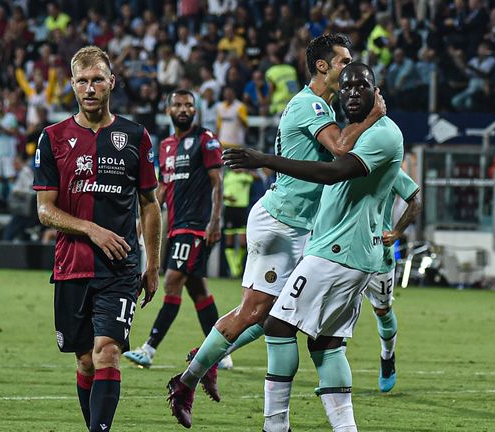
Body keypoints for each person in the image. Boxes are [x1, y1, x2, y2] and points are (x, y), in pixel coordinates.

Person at [165, 34, 385, 429]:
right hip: (281, 222)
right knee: (257, 311)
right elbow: (339, 152)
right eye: (342, 62)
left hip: (305, 228)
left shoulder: (327, 105)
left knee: (278, 316)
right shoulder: (310, 104)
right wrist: (373, 117)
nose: (348, 68)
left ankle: (208, 359)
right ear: (322, 66)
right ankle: (187, 380)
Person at [223, 62, 402, 432]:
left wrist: (264, 161)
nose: (352, 92)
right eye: (347, 86)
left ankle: (275, 425)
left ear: (376, 93)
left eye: (362, 86)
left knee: (277, 325)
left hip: (337, 252)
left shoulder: (383, 134)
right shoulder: (363, 131)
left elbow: (333, 172)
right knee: (327, 345)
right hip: (349, 253)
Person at [32, 46, 162, 432]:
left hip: (119, 268)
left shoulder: (134, 136)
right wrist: (91, 228)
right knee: (85, 360)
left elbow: (149, 204)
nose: (90, 88)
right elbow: (44, 210)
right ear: (72, 84)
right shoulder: (52, 137)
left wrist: (152, 264)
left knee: (108, 353)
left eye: (98, 80)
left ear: (111, 83)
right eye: (83, 81)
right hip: (72, 266)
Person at [123, 89, 225, 370]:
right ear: (168, 111)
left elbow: (218, 181)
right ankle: (221, 350)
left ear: (196, 110)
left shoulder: (205, 139)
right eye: (178, 105)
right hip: (176, 225)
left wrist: (215, 221)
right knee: (198, 290)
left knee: (171, 281)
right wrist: (145, 219)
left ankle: (149, 349)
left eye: (189, 105)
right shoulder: (166, 145)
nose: (183, 109)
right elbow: (162, 188)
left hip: (195, 225)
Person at [364, 169, 421, 393]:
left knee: (383, 311)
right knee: (339, 311)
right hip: (344, 251)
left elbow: (415, 201)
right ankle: (333, 378)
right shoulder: (343, 164)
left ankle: (387, 356)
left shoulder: (389, 168)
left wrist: (396, 233)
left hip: (379, 254)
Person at [222, 167, 256, 278]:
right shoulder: (227, 175)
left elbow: (257, 177)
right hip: (229, 209)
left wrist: (245, 170)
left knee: (242, 241)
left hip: (241, 210)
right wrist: (226, 197)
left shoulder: (245, 177)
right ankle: (234, 269)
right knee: (229, 239)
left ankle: (238, 264)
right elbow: (220, 191)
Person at [3, 154, 36, 241]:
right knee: (23, 233)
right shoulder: (21, 172)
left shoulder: (25, 172)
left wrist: (18, 192)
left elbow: (31, 189)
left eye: (16, 163)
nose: (14, 165)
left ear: (22, 163)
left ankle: (3, 250)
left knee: (8, 233)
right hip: (22, 208)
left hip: (23, 208)